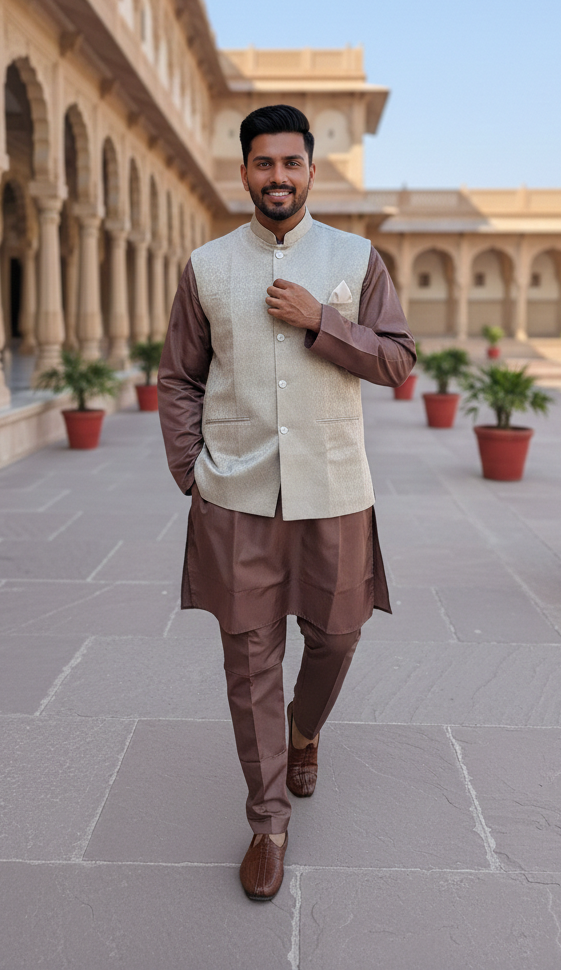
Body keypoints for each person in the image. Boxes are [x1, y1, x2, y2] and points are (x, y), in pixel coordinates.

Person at [158, 104, 415, 902]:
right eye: (263, 164)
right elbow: (179, 377)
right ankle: (268, 819)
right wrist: (189, 470)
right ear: (245, 172)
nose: (277, 177)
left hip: (333, 487)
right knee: (248, 657)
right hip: (236, 492)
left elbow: (399, 360)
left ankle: (306, 731)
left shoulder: (356, 257)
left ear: (311, 170)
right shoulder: (206, 266)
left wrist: (323, 322)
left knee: (337, 638)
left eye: (291, 164)